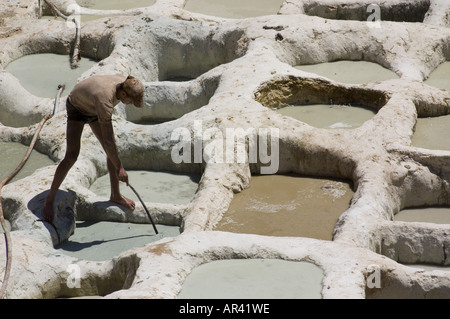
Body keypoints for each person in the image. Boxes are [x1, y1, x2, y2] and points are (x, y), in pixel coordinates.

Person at [42, 74, 145, 222]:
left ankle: (115, 195)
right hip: (77, 106)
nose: (129, 103)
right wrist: (120, 168)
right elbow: (108, 138)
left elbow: (110, 145)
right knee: (71, 156)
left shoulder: (125, 83)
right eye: (130, 101)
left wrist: (117, 163)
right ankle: (49, 200)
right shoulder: (105, 100)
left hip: (94, 108)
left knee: (112, 152)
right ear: (123, 94)